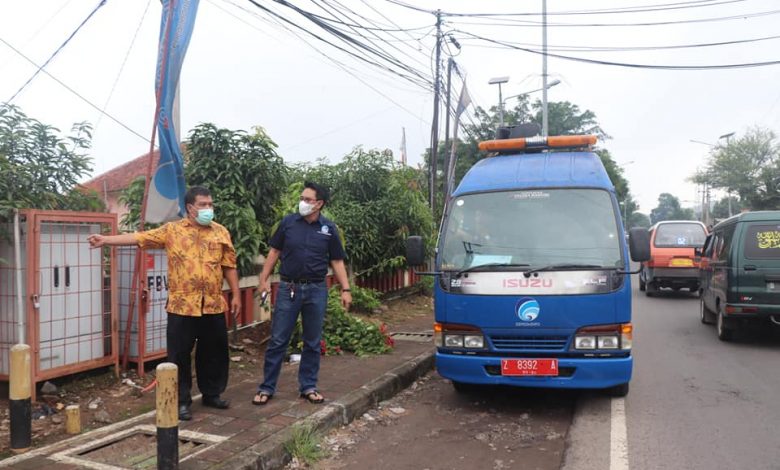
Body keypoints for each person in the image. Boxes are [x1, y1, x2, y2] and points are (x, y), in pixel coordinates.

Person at [87, 186, 241, 421]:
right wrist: (107, 239)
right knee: (179, 355)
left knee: (214, 352)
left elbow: (229, 265)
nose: (208, 208)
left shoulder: (220, 232)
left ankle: (212, 394)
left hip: (212, 304)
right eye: (203, 205)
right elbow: (140, 238)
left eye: (210, 204)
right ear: (190, 208)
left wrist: (236, 294)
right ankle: (181, 401)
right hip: (181, 305)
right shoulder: (173, 231)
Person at [253, 181, 351, 406]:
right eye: (302, 198)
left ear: (319, 204)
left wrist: (346, 289)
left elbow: (337, 260)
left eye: (308, 200)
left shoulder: (328, 229)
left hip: (316, 289)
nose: (303, 203)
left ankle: (308, 386)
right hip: (289, 288)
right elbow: (274, 251)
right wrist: (263, 279)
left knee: (312, 341)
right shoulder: (288, 223)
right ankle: (266, 387)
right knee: (278, 340)